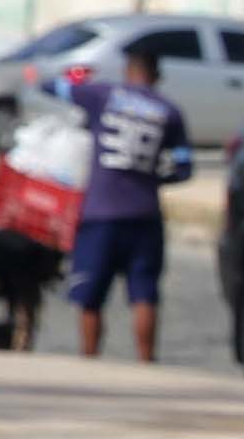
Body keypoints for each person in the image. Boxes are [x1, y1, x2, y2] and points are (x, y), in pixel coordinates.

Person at [54, 40, 189, 360]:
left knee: (90, 296)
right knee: (144, 294)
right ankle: (146, 361)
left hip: (100, 214)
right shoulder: (169, 112)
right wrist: (151, 177)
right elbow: (184, 167)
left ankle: (89, 359)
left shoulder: (103, 96)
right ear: (157, 75)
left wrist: (77, 75)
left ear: (129, 71)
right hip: (145, 214)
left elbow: (54, 86)